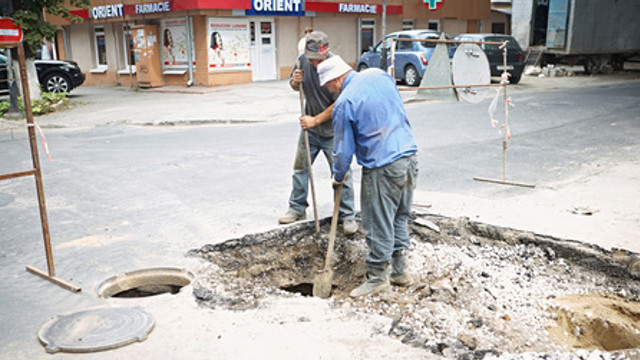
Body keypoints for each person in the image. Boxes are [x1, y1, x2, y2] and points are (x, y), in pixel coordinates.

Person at [317, 55, 418, 298]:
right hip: (409, 157)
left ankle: (377, 278)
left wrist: (338, 176)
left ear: (336, 79)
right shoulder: (379, 75)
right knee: (399, 217)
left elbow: (343, 151)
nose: (331, 92)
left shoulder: (345, 103)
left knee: (376, 222)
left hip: (382, 166)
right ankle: (400, 271)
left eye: (330, 87)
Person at [279, 31, 357, 235]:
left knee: (341, 174)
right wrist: (296, 82)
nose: (314, 64)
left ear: (326, 52)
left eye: (317, 60)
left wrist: (315, 119)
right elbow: (296, 87)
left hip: (333, 131)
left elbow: (340, 104)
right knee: (300, 169)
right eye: (311, 59)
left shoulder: (337, 68)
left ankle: (346, 214)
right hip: (310, 131)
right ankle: (297, 208)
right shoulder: (302, 60)